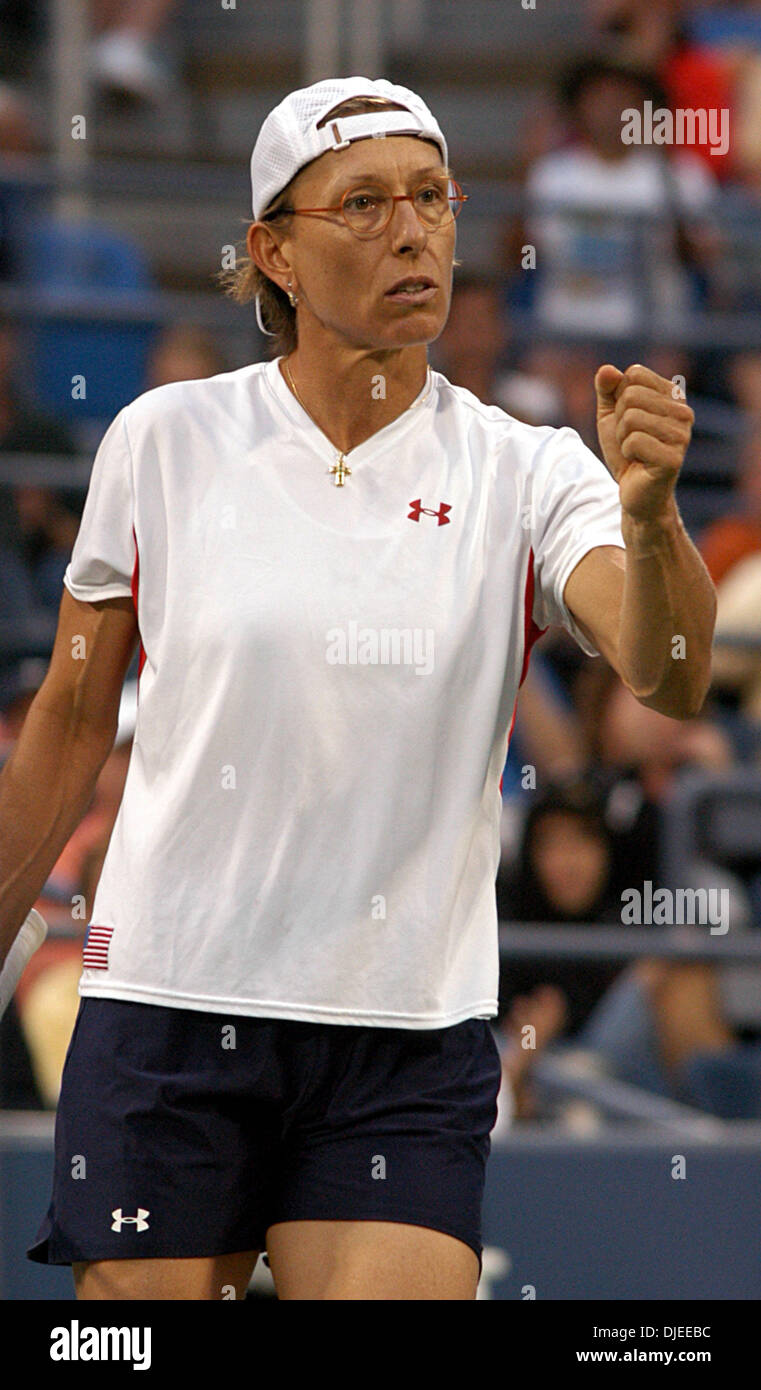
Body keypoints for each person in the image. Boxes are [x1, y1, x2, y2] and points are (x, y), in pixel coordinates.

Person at [0, 76, 715, 1302]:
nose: (412, 230)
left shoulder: (530, 467)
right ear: (272, 250)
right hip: (171, 1001)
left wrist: (651, 526)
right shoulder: (160, 440)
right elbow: (70, 713)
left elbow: (670, 668)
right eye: (365, 202)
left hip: (404, 1026)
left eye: (433, 198)